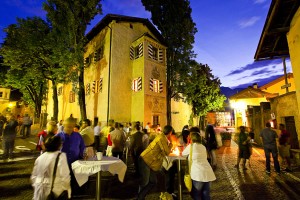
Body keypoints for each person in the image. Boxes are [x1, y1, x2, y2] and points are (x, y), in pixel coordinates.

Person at [138, 125, 173, 200]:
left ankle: (141, 197)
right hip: (146, 160)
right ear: (170, 133)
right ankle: (139, 198)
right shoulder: (162, 138)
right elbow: (166, 152)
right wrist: (171, 145)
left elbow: (163, 151)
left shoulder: (162, 137)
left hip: (151, 162)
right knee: (145, 182)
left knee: (153, 182)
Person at [182, 128, 216, 200]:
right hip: (207, 172)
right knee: (206, 194)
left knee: (197, 195)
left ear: (192, 139)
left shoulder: (191, 146)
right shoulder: (203, 146)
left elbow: (183, 154)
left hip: (198, 174)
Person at [56, 118, 85, 195]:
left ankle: (73, 194)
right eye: (68, 127)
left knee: (74, 179)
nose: (70, 129)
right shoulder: (58, 136)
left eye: (72, 127)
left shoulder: (78, 136)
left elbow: (82, 147)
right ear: (64, 126)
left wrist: (83, 156)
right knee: (62, 180)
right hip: (62, 163)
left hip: (75, 162)